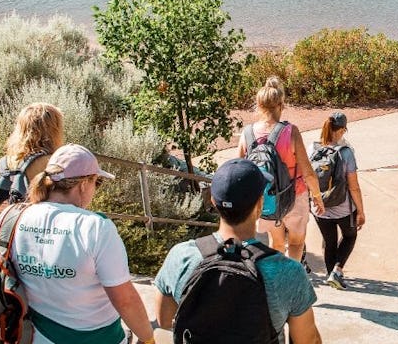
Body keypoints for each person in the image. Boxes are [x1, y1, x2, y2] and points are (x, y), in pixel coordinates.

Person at [0, 144, 154, 344]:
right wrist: (148, 339)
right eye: (97, 182)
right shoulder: (96, 227)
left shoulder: (13, 216)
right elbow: (125, 300)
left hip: (37, 337)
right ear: (83, 183)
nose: (95, 190)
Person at [152, 158, 322, 344]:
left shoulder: (182, 256)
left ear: (213, 202)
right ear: (259, 205)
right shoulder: (288, 272)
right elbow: (307, 340)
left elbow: (164, 319)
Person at [238, 76, 326, 267]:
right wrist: (318, 197)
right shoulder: (290, 132)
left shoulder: (247, 133)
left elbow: (239, 170)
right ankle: (290, 281)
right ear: (281, 105)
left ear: (259, 106)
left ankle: (273, 282)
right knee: (296, 243)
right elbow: (308, 172)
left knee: (275, 242)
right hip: (295, 195)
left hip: (266, 199)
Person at [309, 112, 366, 290]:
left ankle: (330, 276)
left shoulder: (313, 149)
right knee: (350, 236)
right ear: (341, 130)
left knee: (329, 242)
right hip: (343, 207)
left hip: (320, 207)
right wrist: (361, 211)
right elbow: (354, 186)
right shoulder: (346, 153)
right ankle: (337, 271)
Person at [0, 102, 65, 224]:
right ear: (54, 130)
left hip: (7, 236)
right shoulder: (53, 164)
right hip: (38, 234)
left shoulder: (1, 165)